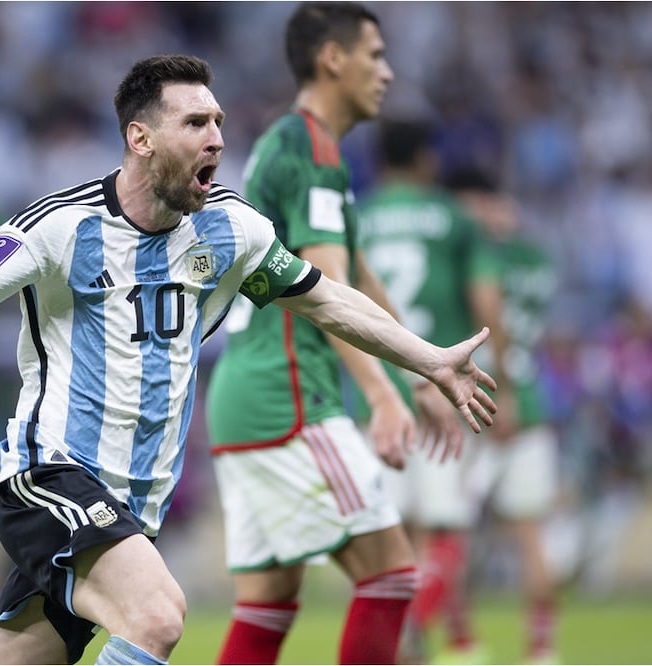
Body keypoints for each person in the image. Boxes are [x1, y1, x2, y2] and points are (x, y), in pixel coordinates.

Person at [0, 55, 497, 666]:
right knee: (157, 616)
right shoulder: (58, 228)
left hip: (134, 504)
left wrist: (427, 359)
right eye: (195, 123)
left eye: (219, 124)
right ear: (140, 139)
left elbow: (328, 300)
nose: (216, 139)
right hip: (50, 479)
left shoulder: (229, 231)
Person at [204, 4, 466, 664]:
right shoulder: (311, 149)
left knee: (265, 607)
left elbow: (365, 281)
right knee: (391, 573)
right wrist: (382, 395)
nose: (387, 71)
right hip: (287, 396)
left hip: (246, 396)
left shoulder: (292, 144)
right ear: (332, 59)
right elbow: (329, 294)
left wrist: (424, 371)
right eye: (374, 55)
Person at [355, 119, 510, 663]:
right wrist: (506, 386)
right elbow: (488, 303)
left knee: (389, 530)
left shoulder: (359, 217)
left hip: (376, 394)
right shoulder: (454, 219)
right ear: (426, 160)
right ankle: (412, 630)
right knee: (446, 527)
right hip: (447, 391)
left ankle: (403, 635)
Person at [446, 166, 560, 664]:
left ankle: (461, 642)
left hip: (478, 398)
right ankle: (541, 648)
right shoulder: (536, 258)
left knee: (450, 532)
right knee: (530, 533)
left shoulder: (470, 256)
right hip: (530, 401)